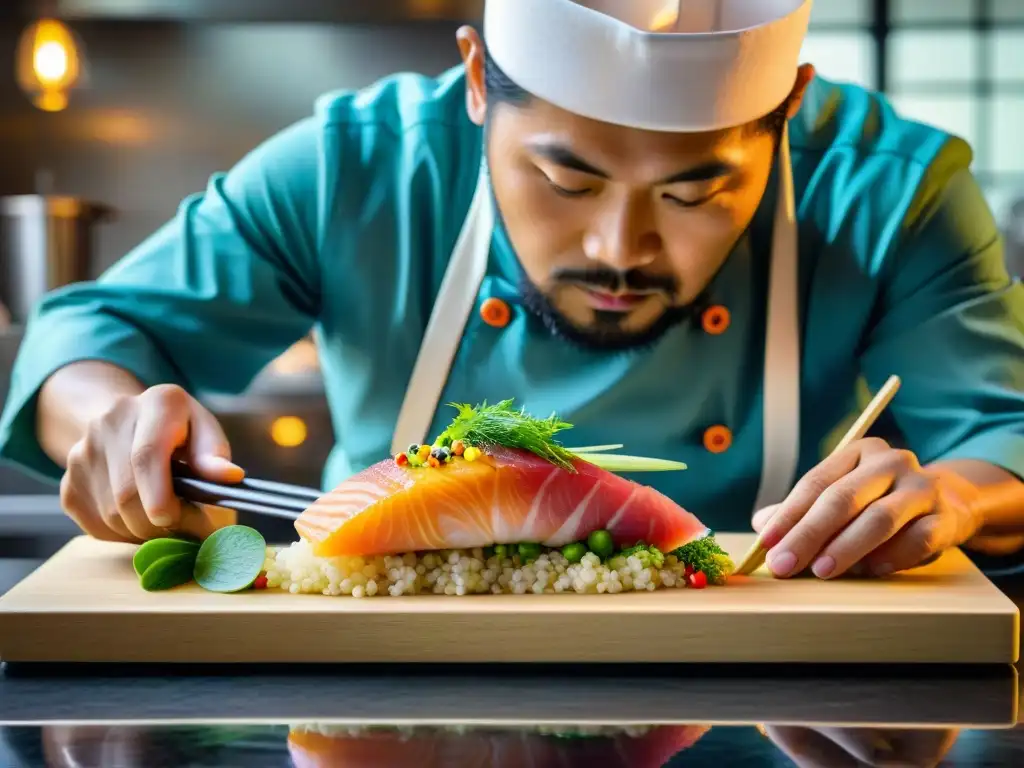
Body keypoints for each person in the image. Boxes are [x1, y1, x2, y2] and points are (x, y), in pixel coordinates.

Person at [2, 0, 1023, 579]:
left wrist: (950, 497)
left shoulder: (892, 188)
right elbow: (96, 329)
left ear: (787, 111)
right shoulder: (357, 165)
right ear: (478, 82)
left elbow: (1000, 437)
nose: (619, 247)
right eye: (564, 176)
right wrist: (114, 421)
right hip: (392, 681)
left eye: (695, 188)